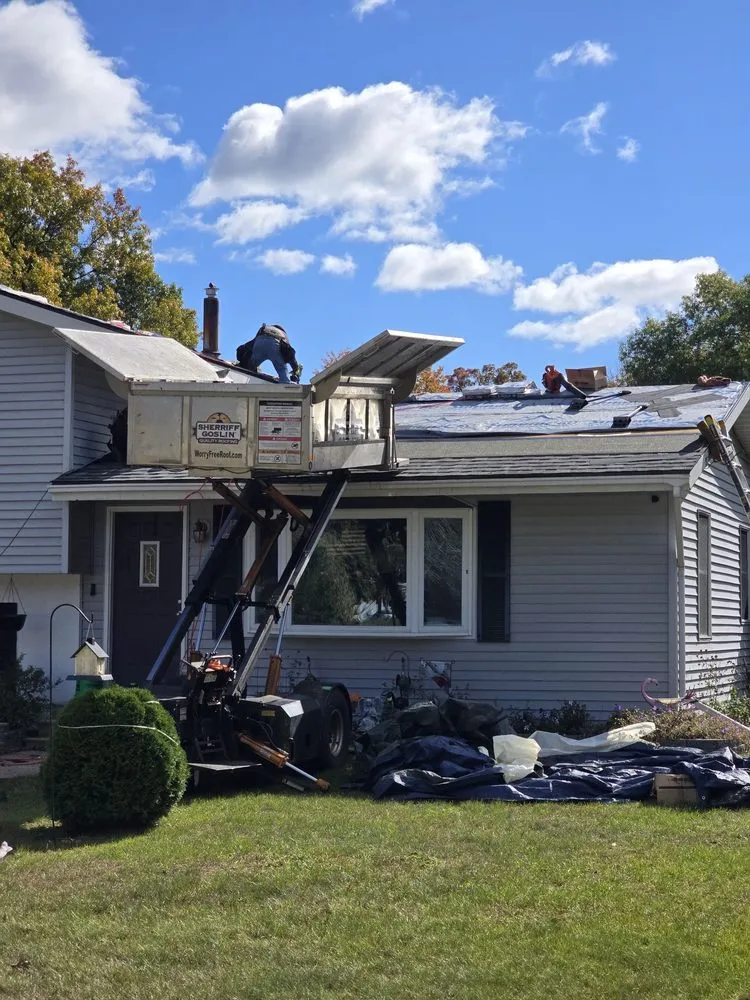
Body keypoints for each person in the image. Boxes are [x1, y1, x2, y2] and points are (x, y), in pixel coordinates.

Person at [236, 324, 301, 383]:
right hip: (275, 346)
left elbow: (250, 345)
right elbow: (290, 354)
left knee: (250, 367)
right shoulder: (283, 334)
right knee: (282, 370)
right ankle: (285, 384)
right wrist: (295, 370)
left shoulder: (265, 328)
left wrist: (242, 358)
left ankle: (246, 373)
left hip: (259, 344)